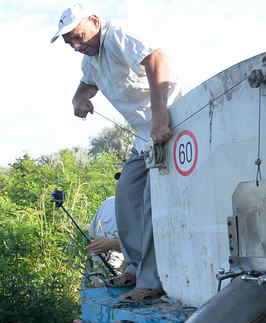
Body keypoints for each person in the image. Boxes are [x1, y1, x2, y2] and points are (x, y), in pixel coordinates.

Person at [53, 4, 181, 302]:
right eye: (69, 41)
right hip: (143, 137)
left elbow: (157, 59)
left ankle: (151, 282)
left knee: (150, 203)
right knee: (126, 197)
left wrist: (161, 117)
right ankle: (136, 269)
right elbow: (86, 86)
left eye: (78, 36)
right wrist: (79, 99)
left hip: (172, 122)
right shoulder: (92, 59)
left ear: (95, 21)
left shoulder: (118, 35)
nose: (75, 45)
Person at [88, 189, 131, 286]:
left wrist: (114, 244)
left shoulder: (149, 206)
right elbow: (92, 233)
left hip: (128, 278)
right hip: (98, 274)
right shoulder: (109, 202)